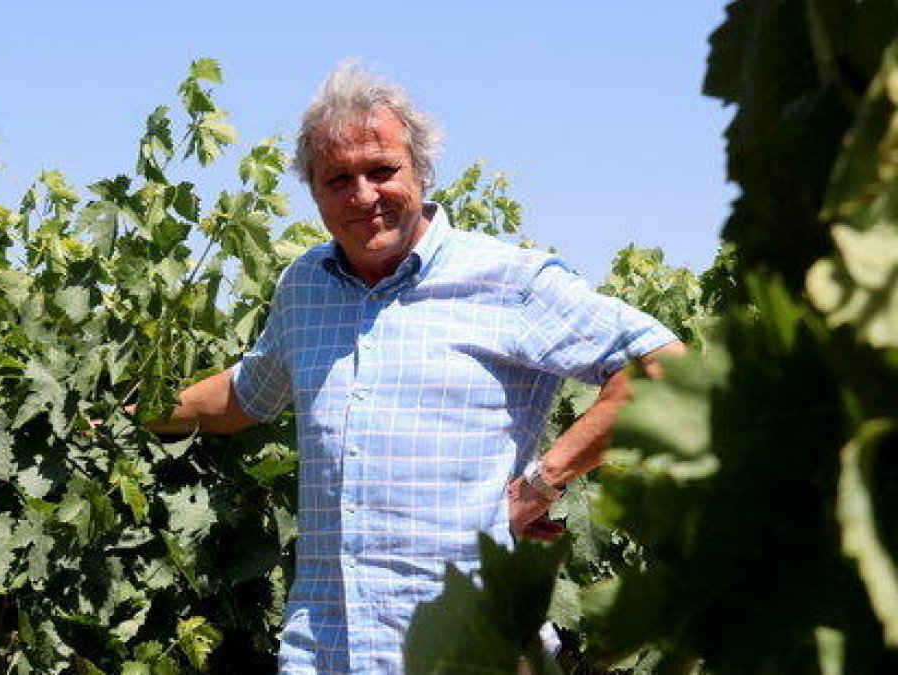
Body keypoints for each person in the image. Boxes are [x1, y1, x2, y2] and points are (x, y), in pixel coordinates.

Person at [144, 62, 684, 674]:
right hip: (324, 653)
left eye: (382, 171)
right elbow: (246, 395)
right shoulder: (304, 288)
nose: (364, 195)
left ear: (422, 171)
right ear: (314, 191)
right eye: (338, 179)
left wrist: (545, 481)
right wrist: (133, 414)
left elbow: (661, 367)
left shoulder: (505, 280)